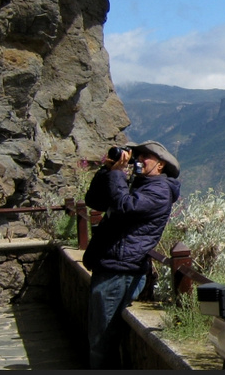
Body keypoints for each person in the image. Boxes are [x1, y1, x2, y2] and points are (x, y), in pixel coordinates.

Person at [83, 140, 180, 369]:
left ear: (161, 165)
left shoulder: (159, 191)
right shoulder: (138, 185)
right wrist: (108, 170)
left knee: (101, 342)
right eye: (137, 155)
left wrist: (117, 175)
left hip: (120, 272)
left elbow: (124, 207)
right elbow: (94, 201)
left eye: (145, 156)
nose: (138, 159)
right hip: (112, 267)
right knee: (100, 337)